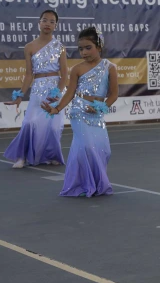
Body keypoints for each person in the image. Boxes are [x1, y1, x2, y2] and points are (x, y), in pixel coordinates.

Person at [42, 27, 118, 197]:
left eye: (88, 47)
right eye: (81, 49)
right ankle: (84, 184)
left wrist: (100, 107)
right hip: (79, 110)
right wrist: (56, 108)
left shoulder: (109, 67)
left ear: (99, 46)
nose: (84, 52)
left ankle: (95, 183)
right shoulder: (77, 69)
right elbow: (70, 92)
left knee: (103, 150)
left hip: (97, 111)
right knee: (86, 147)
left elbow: (114, 94)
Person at [4, 10, 67, 168]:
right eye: (45, 20)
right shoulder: (29, 47)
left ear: (56, 26)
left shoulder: (60, 47)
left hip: (55, 88)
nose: (48, 24)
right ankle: (22, 157)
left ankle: (52, 155)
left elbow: (65, 75)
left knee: (53, 126)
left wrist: (58, 92)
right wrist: (19, 96)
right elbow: (28, 74)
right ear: (39, 23)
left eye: (52, 22)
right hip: (38, 88)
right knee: (30, 123)